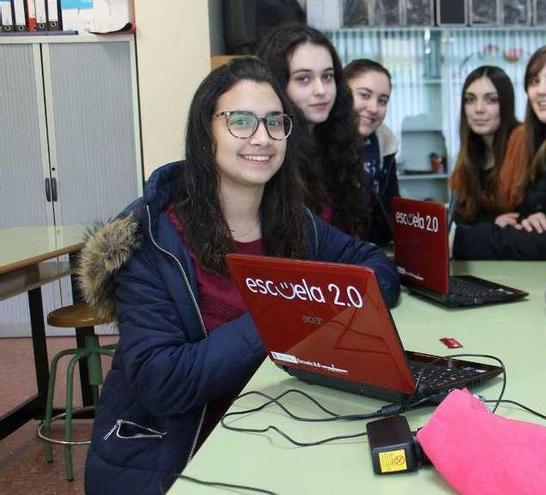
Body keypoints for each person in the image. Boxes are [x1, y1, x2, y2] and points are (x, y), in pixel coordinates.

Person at [78, 57, 400, 495]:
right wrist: (289, 313)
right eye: (241, 121)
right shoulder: (152, 240)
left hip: (275, 428)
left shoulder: (293, 223)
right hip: (174, 457)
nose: (262, 138)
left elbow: (376, 268)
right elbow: (164, 383)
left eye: (274, 122)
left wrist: (325, 301)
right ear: (205, 130)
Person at [451, 43, 546, 264]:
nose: (540, 90)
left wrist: (458, 239)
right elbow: (535, 219)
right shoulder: (544, 142)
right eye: (534, 81)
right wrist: (527, 220)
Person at [257, 24, 367, 237]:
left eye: (327, 76)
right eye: (303, 79)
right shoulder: (266, 151)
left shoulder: (338, 142)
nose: (321, 90)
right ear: (277, 84)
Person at [448, 65, 525, 224]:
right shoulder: (469, 155)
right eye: (470, 100)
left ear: (506, 104)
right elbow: (460, 216)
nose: (478, 109)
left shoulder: (522, 143)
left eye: (491, 100)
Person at [342, 59, 399, 246]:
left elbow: (391, 209)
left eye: (382, 101)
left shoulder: (385, 143)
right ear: (342, 93)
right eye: (364, 95)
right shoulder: (318, 141)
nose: (374, 108)